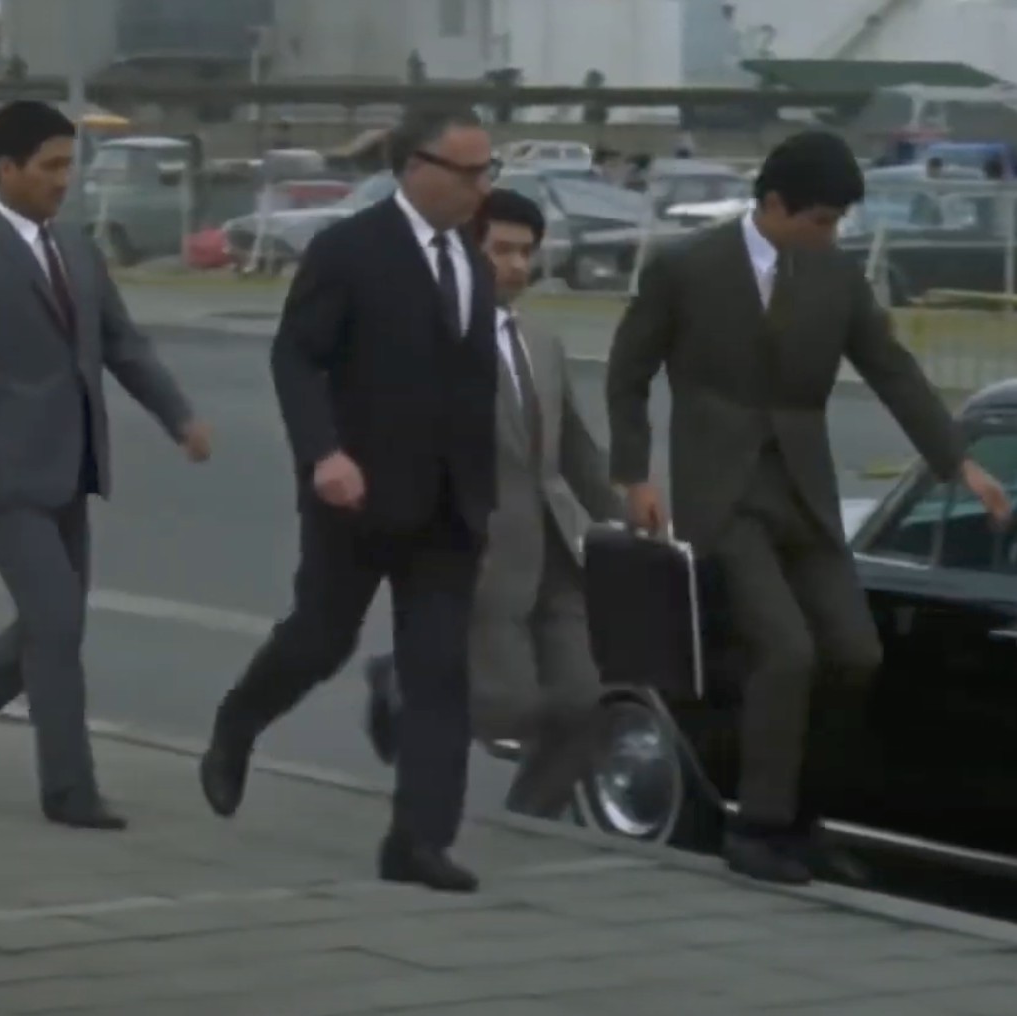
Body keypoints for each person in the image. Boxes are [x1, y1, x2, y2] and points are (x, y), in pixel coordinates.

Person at [606, 130, 1011, 886]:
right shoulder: (685, 268)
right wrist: (633, 475)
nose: (830, 235)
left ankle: (804, 817)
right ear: (773, 204)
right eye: (821, 220)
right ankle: (757, 826)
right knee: (786, 651)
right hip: (723, 496)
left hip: (805, 494)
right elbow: (628, 373)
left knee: (856, 653)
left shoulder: (837, 278)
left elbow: (892, 370)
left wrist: (958, 462)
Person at [199, 110, 499, 893]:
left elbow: (472, 387)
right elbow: (296, 359)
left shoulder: (473, 260)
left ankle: (418, 841)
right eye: (469, 172)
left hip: (450, 509)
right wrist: (323, 453)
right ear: (414, 166)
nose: (482, 187)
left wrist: (486, 493)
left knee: (439, 672)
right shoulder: (349, 250)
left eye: (488, 171)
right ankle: (239, 721)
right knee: (321, 640)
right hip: (357, 494)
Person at [0, 100, 211, 830]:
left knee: (56, 625)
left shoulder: (77, 247)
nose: (62, 180)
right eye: (49, 166)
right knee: (56, 622)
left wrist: (178, 416)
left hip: (75, 466)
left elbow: (123, 344)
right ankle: (68, 789)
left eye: (68, 166)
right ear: (6, 169)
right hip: (9, 474)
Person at [363, 188, 622, 820]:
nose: (516, 265)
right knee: (508, 707)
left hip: (557, 551)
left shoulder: (542, 342)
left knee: (586, 702)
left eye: (526, 252)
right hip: (478, 550)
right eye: (501, 250)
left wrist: (628, 510)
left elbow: (576, 451)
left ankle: (531, 820)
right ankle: (402, 683)